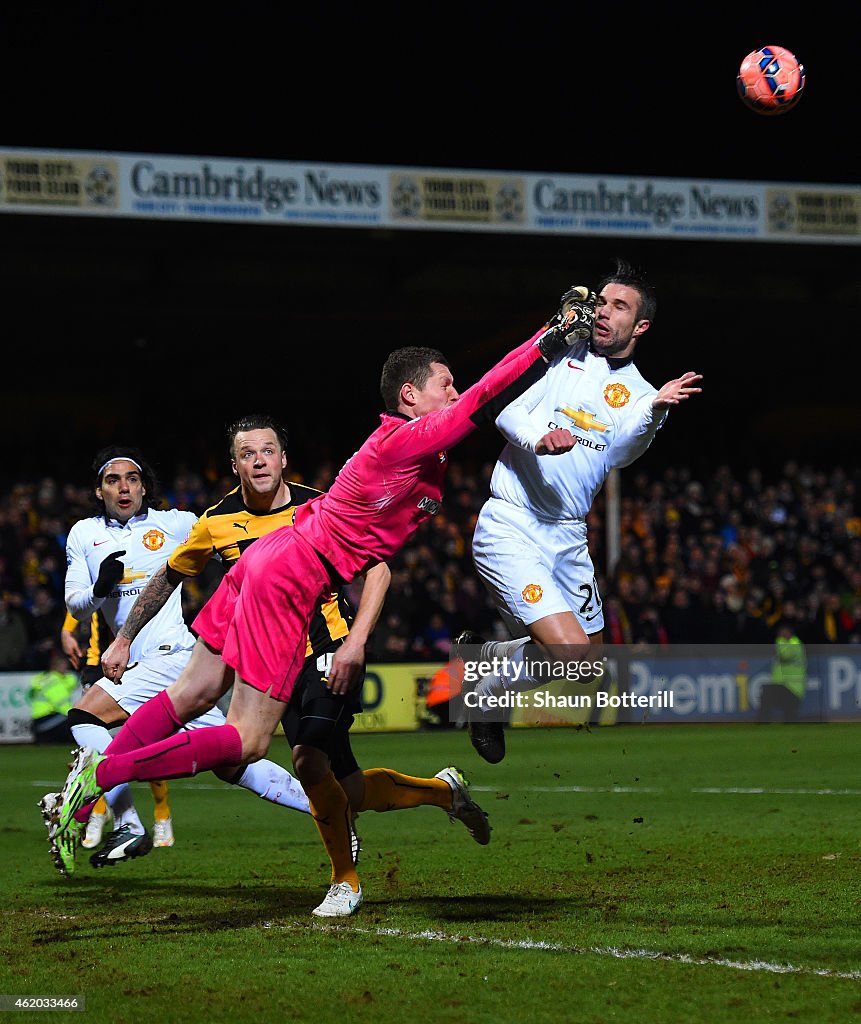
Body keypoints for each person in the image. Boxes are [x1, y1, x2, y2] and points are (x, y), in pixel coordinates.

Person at [51, 283, 597, 917]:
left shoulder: (414, 454)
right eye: (443, 382)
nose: (454, 390)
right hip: (292, 579)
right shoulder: (403, 438)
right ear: (411, 396)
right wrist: (548, 338)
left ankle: (96, 776)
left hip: (269, 563)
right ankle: (109, 776)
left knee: (192, 696)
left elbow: (481, 412)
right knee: (249, 741)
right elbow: (480, 401)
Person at [72, 415, 473, 888]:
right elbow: (170, 576)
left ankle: (345, 882)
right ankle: (444, 791)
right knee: (351, 788)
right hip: (267, 665)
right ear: (235, 465)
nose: (259, 461)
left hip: (326, 649)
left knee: (307, 762)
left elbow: (378, 568)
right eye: (247, 454)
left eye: (267, 451)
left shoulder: (321, 508)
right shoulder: (216, 521)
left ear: (284, 459)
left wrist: (358, 643)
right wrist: (122, 638)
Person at [458, 258, 703, 763]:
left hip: (568, 536)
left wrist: (654, 412)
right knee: (568, 651)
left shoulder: (639, 393)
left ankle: (488, 667)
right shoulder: (556, 354)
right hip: (513, 523)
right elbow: (502, 406)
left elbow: (622, 451)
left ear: (641, 326)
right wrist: (538, 440)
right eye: (602, 302)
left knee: (583, 665)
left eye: (619, 306)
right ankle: (487, 696)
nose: (604, 313)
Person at [40, 445, 312, 876]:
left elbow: (231, 533)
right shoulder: (83, 534)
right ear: (99, 490)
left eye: (132, 478)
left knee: (84, 716)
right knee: (234, 762)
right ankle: (327, 808)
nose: (124, 486)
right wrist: (99, 590)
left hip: (171, 656)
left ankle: (126, 822)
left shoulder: (176, 524)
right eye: (113, 480)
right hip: (154, 669)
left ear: (145, 487)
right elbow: (76, 605)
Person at [61, 610, 174, 850]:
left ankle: (162, 813)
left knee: (147, 744)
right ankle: (100, 811)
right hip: (98, 661)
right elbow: (88, 591)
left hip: (141, 662)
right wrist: (67, 629)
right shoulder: (97, 574)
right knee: (93, 746)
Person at [758, 620, 807, 723]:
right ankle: (764, 722)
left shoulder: (795, 644)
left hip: (792, 688)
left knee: (767, 694)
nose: (781, 635)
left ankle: (763, 723)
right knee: (788, 717)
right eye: (780, 633)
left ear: (790, 633)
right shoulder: (790, 644)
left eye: (783, 632)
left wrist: (779, 641)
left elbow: (784, 655)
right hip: (786, 687)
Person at [29, 644, 79, 744]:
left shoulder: (47, 678)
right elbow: (63, 706)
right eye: (64, 664)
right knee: (76, 721)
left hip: (39, 722)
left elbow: (72, 680)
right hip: (45, 720)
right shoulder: (54, 682)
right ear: (58, 666)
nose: (66, 667)